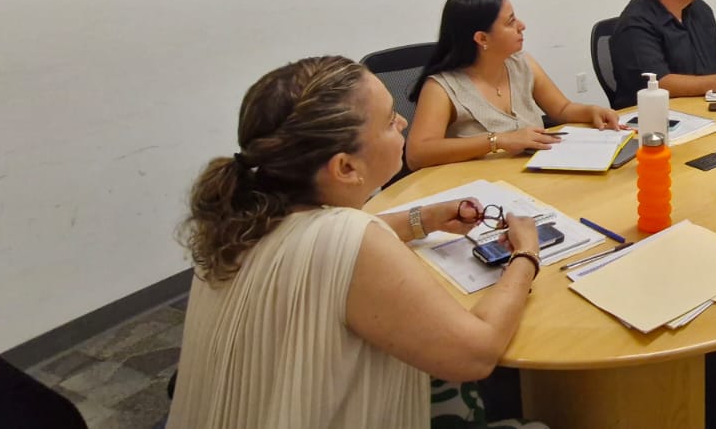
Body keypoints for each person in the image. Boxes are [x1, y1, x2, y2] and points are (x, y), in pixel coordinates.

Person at [170, 56, 545, 428]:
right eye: (389, 120)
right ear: (345, 167)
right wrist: (526, 253)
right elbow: (476, 355)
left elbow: (328, 246)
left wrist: (423, 219)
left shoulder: (242, 217)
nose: (402, 123)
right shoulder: (351, 235)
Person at [407, 0, 620, 169]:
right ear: (482, 38)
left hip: (535, 172)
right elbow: (417, 154)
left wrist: (591, 111)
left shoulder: (522, 64)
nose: (522, 25)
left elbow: (562, 109)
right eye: (510, 22)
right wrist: (498, 141)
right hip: (478, 187)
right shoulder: (441, 87)